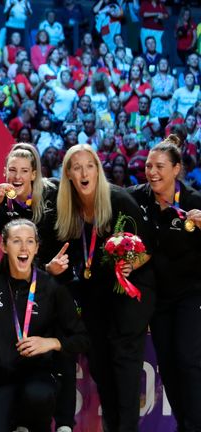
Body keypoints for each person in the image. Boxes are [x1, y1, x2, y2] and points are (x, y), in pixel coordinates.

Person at [55, 144, 155, 432]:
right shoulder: (68, 210)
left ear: (98, 170)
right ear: (69, 175)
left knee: (124, 374)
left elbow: (149, 246)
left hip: (128, 297)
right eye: (77, 167)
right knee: (100, 368)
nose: (84, 172)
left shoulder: (119, 200)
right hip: (94, 299)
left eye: (90, 165)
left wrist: (130, 266)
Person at [0, 219, 88, 432]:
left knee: (38, 395)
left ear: (37, 247)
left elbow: (82, 338)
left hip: (37, 375)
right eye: (16, 241)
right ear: (3, 246)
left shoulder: (52, 287)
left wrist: (52, 342)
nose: (24, 248)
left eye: (29, 241)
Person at [128, 136, 201, 432]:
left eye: (160, 166)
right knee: (168, 366)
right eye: (148, 166)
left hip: (191, 295)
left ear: (176, 169)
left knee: (187, 359)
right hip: (157, 298)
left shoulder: (195, 202)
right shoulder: (138, 197)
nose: (152, 172)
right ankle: (185, 425)